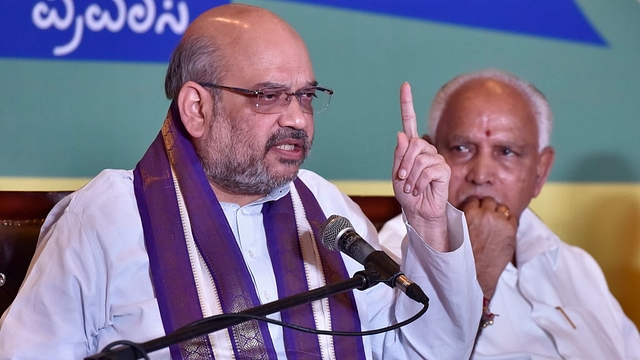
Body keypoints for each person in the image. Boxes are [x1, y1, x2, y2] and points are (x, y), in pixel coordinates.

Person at [0, 4, 483, 359]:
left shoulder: (325, 205)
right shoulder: (106, 216)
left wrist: (429, 224)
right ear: (196, 108)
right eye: (268, 96)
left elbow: (424, 354)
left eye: (307, 96)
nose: (298, 119)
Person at [379, 68, 640, 359]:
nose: (481, 175)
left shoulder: (575, 265)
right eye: (462, 148)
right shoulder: (389, 255)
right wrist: (476, 274)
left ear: (540, 172)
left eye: (506, 152)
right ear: (427, 156)